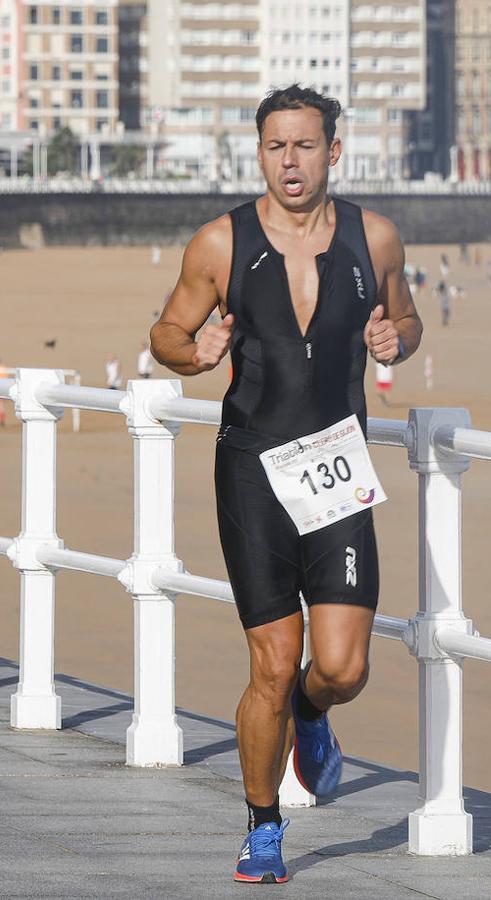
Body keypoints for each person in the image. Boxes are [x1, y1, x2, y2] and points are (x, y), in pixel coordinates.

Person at [149, 85, 421, 884]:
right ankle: (263, 825)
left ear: (334, 150)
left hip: (335, 469)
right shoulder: (219, 244)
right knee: (274, 660)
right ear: (259, 151)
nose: (290, 162)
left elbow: (407, 321)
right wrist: (190, 354)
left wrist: (393, 340)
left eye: (305, 146)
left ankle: (312, 712)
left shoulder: (376, 239)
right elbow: (166, 328)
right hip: (252, 470)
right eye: (276, 147)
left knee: (342, 668)